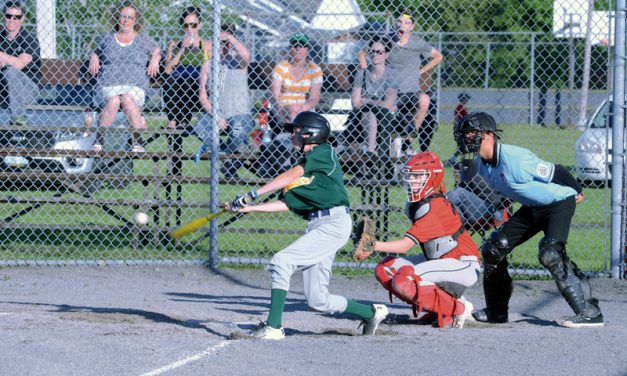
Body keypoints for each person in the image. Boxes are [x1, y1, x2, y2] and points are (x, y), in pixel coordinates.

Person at [224, 111, 388, 339]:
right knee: (318, 299)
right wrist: (246, 208)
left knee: (282, 261)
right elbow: (285, 204)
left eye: (297, 131)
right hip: (319, 225)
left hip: (333, 223)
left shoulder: (323, 152)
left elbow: (292, 174)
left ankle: (273, 327)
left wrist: (253, 193)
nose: (293, 135)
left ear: (311, 135)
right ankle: (370, 313)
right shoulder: (308, 173)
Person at [455, 111, 604, 328]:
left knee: (550, 253)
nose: (467, 137)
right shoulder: (483, 165)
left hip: (558, 203)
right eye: (465, 134)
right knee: (493, 249)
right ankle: (497, 311)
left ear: (488, 134)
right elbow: (505, 194)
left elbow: (557, 171)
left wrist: (577, 190)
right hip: (533, 208)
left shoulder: (516, 159)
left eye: (471, 133)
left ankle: (589, 313)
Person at [355, 151, 479, 328]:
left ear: (433, 179)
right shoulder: (419, 202)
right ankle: (436, 308)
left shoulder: (435, 207)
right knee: (386, 269)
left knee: (405, 280)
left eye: (418, 176)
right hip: (441, 261)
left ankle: (459, 308)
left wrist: (372, 245)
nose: (411, 180)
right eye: (410, 175)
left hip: (462, 263)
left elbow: (405, 245)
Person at [89, 1, 161, 152]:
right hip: (109, 87)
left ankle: (137, 142)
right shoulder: (107, 38)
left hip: (134, 87)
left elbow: (157, 50)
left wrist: (155, 58)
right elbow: (95, 50)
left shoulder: (142, 39)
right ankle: (99, 141)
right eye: (123, 16)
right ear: (117, 18)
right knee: (115, 100)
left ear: (136, 21)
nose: (126, 20)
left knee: (127, 98)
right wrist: (94, 57)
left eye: (130, 17)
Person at [195, 23, 253, 178]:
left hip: (239, 113)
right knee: (200, 126)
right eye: (219, 42)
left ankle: (226, 158)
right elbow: (202, 95)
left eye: (225, 43)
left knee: (238, 131)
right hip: (216, 113)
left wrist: (229, 37)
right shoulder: (208, 64)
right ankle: (233, 152)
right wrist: (216, 115)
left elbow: (246, 55)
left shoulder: (238, 63)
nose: (222, 46)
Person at [387, 11, 443, 143]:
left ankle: (409, 138)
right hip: (390, 91)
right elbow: (366, 53)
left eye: (407, 23)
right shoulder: (387, 40)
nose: (402, 25)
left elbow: (438, 56)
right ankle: (389, 143)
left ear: (412, 26)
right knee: (389, 112)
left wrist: (421, 71)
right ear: (395, 24)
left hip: (411, 92)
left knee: (424, 100)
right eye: (399, 22)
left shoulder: (418, 43)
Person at [346, 35, 398, 174]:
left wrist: (366, 100)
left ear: (386, 54)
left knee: (371, 111)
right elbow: (355, 103)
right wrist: (375, 102)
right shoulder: (362, 73)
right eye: (372, 51)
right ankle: (371, 151)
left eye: (379, 52)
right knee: (369, 113)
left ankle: (371, 152)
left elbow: (387, 105)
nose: (375, 55)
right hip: (362, 116)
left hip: (386, 117)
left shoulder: (392, 74)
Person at [162, 6, 210, 131]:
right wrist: (182, 49)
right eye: (186, 25)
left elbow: (209, 68)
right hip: (175, 86)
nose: (189, 29)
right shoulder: (173, 44)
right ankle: (172, 121)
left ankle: (184, 120)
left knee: (186, 81)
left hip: (196, 86)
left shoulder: (206, 45)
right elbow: (167, 70)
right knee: (170, 80)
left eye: (193, 25)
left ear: (199, 25)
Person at [270, 32, 322, 135]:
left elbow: (314, 98)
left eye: (302, 45)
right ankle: (294, 137)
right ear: (290, 49)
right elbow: (274, 97)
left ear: (307, 49)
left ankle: (291, 136)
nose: (298, 48)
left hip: (304, 109)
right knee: (292, 109)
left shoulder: (314, 69)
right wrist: (280, 116)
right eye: (294, 45)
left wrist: (301, 109)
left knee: (294, 109)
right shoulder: (281, 67)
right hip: (282, 110)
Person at [0, 1, 40, 126]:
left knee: (11, 71)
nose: (12, 20)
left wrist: (2, 56)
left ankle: (18, 119)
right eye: (8, 16)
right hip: (3, 88)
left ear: (22, 19)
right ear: (3, 17)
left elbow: (19, 64)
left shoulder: (29, 38)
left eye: (16, 17)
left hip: (27, 90)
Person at [447, 157, 508, 231]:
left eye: (458, 173)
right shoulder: (473, 176)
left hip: (491, 212)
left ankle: (437, 202)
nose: (456, 176)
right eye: (455, 173)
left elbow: (496, 199)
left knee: (460, 192)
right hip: (474, 213)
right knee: (454, 207)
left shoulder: (485, 177)